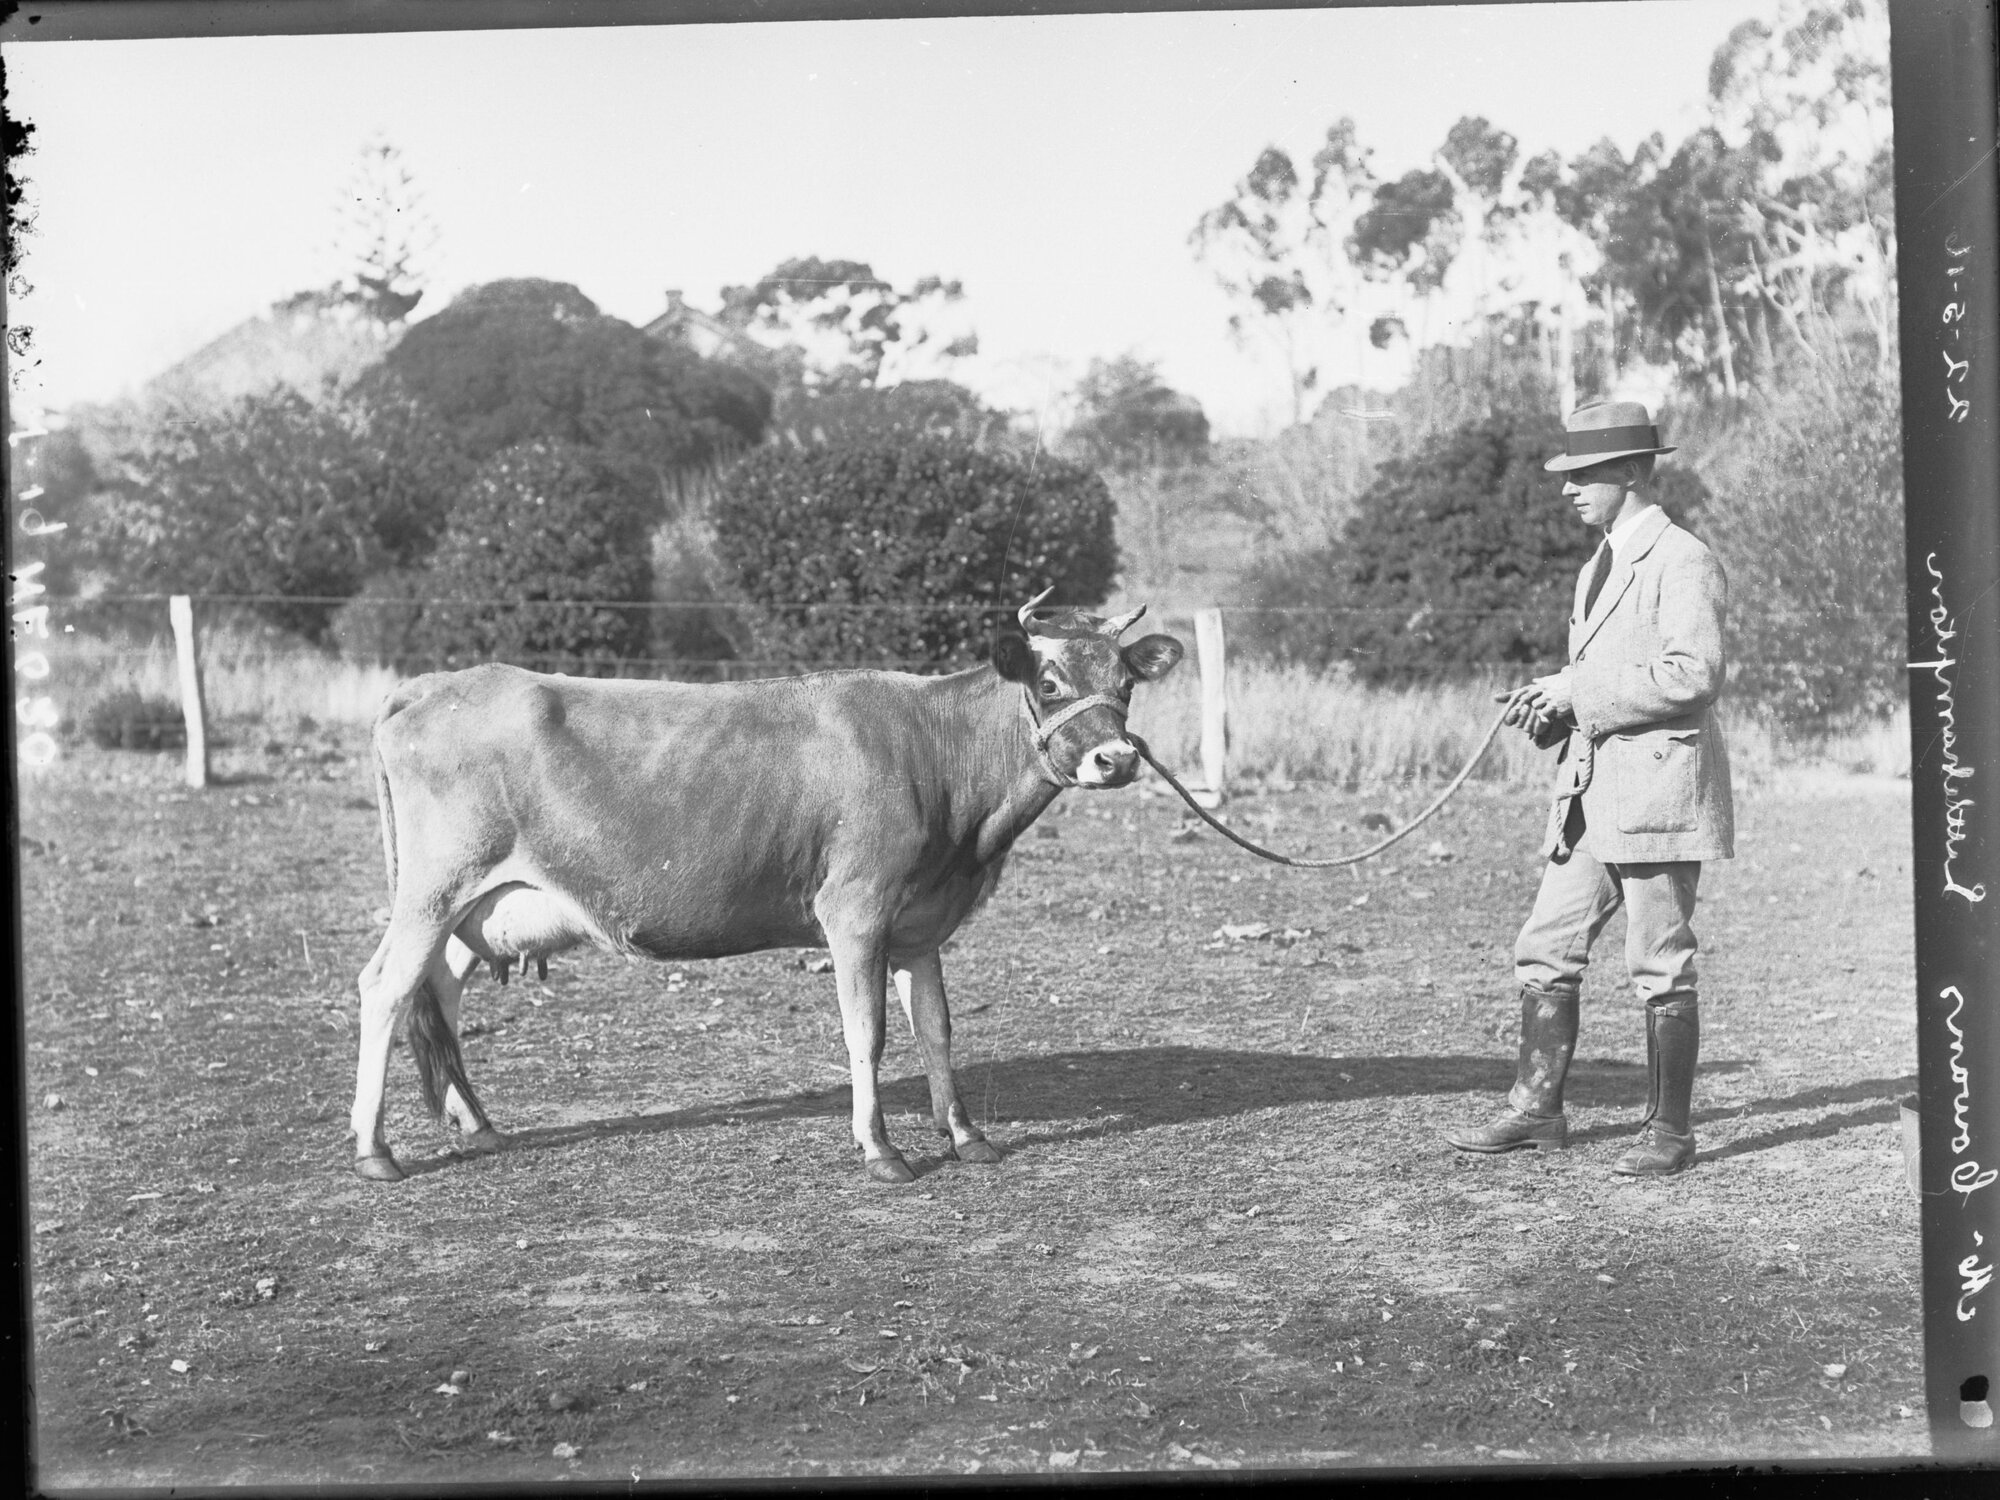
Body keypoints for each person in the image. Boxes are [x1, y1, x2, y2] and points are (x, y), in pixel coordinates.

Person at [1445, 399, 1733, 1177]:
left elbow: (1693, 674)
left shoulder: (1683, 559)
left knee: (1659, 963)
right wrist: (1554, 711)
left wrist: (1577, 690)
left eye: (1585, 474)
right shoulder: (1595, 562)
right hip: (1590, 793)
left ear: (1634, 474)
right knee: (1544, 948)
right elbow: (1601, 685)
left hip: (1659, 798)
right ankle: (1538, 1111)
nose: (1569, 488)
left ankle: (1669, 1133)